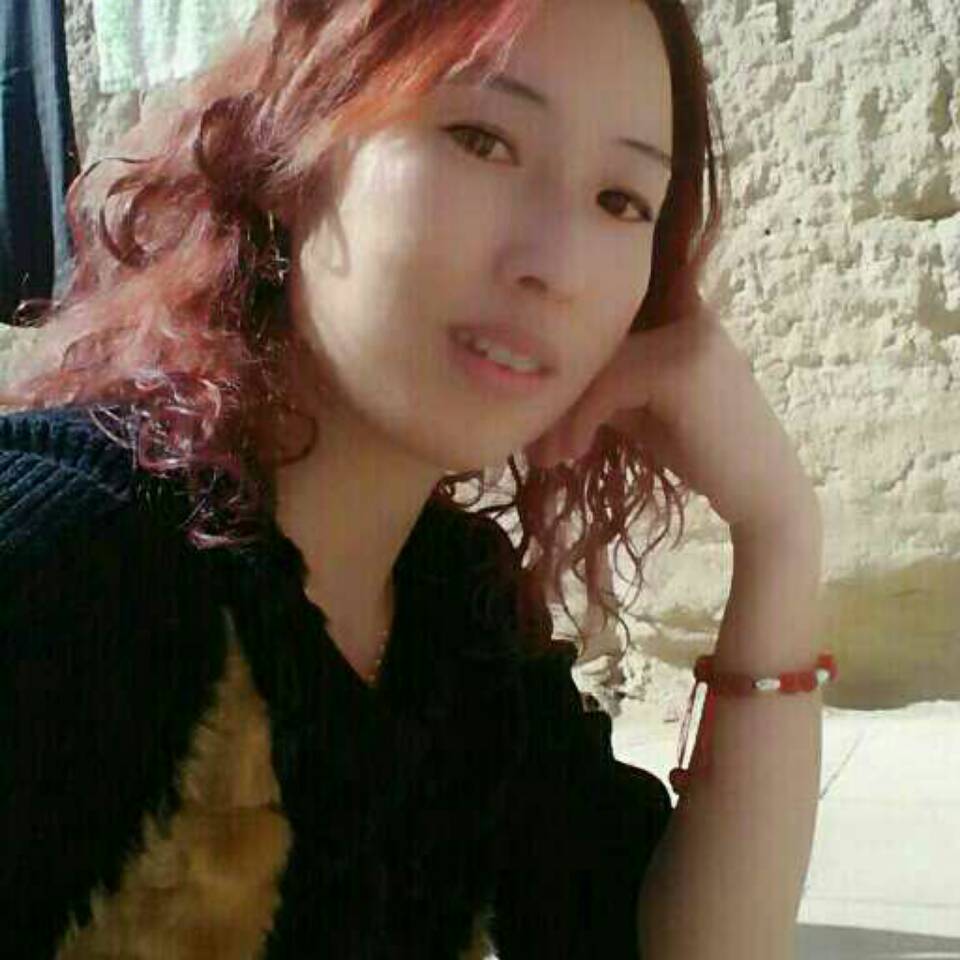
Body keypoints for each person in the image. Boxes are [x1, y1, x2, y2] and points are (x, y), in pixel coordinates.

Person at [0, 0, 826, 957]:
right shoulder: (66, 572)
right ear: (295, 147)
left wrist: (779, 533)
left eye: (620, 200)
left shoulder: (450, 623)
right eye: (482, 140)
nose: (557, 265)